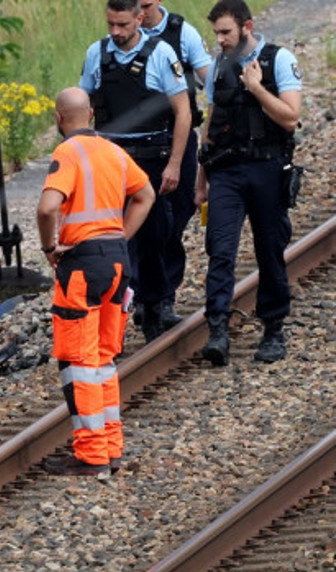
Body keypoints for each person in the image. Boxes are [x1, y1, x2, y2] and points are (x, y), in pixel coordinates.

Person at [37, 87, 156, 477]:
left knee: (79, 362)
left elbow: (48, 207)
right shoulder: (114, 152)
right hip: (117, 263)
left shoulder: (67, 153)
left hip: (82, 264)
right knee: (104, 359)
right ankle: (111, 447)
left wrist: (49, 246)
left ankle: (91, 456)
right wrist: (121, 236)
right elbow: (146, 195)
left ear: (59, 118)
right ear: (90, 114)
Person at [194, 0, 302, 365]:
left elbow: (290, 118)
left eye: (226, 32)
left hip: (268, 169)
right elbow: (210, 125)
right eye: (216, 33)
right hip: (226, 171)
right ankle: (218, 330)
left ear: (247, 27)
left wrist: (256, 87)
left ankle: (273, 328)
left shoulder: (277, 59)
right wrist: (200, 181)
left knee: (269, 249)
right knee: (220, 250)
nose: (220, 40)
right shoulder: (218, 66)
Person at [79, 0, 190, 342]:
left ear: (139, 19)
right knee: (110, 238)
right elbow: (81, 104)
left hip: (151, 158)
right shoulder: (97, 54)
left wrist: (174, 164)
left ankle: (154, 305)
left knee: (154, 234)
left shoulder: (161, 54)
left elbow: (183, 113)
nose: (116, 32)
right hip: (110, 156)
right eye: (111, 24)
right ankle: (114, 310)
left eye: (123, 25)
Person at [139, 0, 214, 331]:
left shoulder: (183, 33)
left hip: (177, 137)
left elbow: (208, 78)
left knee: (178, 211)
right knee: (142, 218)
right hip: (138, 143)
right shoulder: (121, 35)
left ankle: (158, 294)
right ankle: (151, 296)